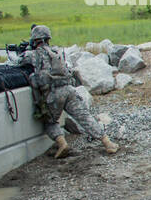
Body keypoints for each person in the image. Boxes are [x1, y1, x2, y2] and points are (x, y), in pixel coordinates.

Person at [16, 25, 119, 158]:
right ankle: (108, 143)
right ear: (48, 38)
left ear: (35, 40)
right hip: (69, 90)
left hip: (53, 94)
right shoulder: (57, 52)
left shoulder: (33, 54)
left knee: (50, 121)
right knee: (85, 117)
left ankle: (62, 144)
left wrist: (25, 51)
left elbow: (17, 61)